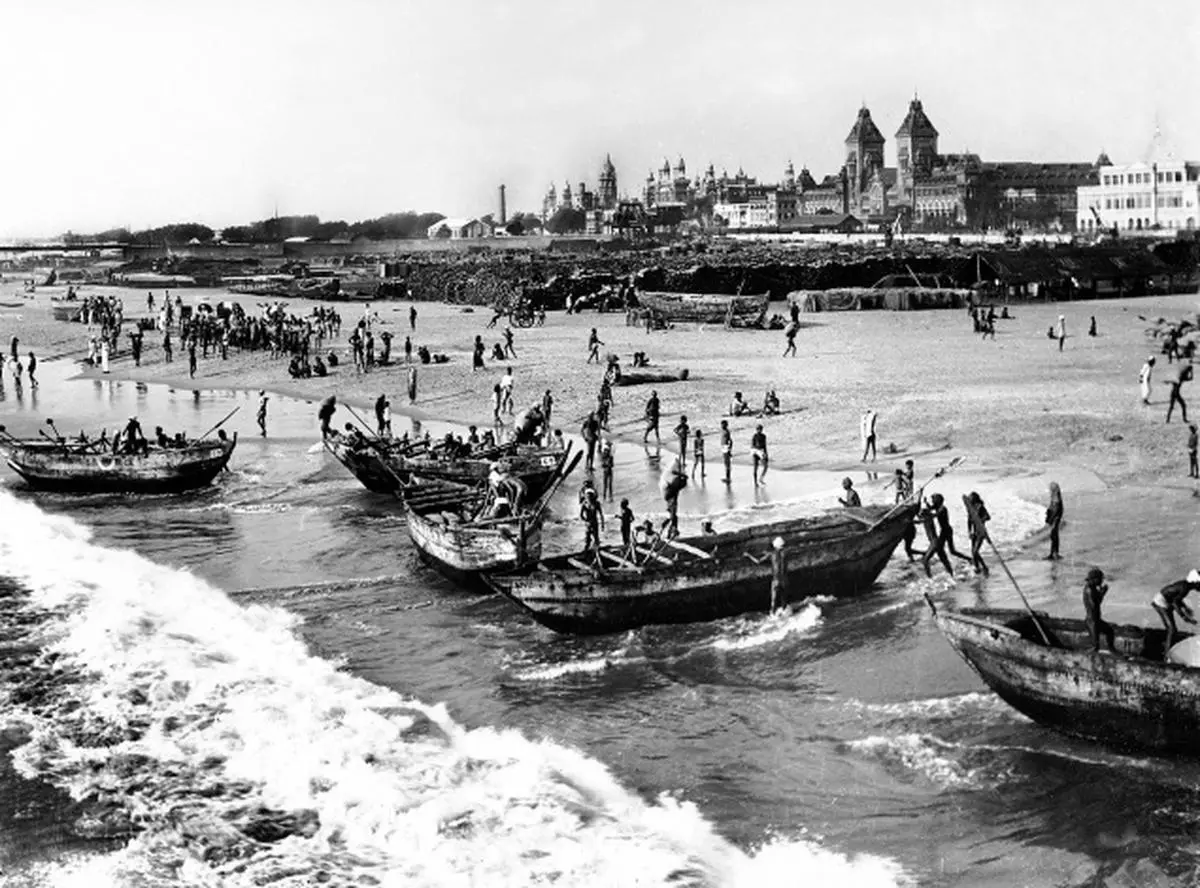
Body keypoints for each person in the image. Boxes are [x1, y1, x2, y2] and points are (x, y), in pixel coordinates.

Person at [1151, 570, 1200, 658]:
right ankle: (1167, 654)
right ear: (1195, 582)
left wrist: (1185, 608)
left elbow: (1177, 599)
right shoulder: (1185, 588)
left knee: (1171, 629)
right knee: (1172, 629)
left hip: (1164, 601)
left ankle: (1167, 647)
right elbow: (1175, 603)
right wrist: (1184, 616)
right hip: (1161, 603)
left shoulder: (1185, 585)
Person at [920, 494, 955, 578]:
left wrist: (925, 512)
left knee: (925, 560)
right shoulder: (931, 512)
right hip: (938, 538)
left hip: (940, 536)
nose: (932, 502)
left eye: (933, 500)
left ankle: (930, 578)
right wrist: (924, 502)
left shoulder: (942, 509)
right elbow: (929, 510)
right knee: (943, 558)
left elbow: (932, 514)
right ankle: (952, 575)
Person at [1083, 567, 1116, 654]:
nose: (1101, 581)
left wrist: (1100, 593)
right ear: (1095, 579)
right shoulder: (1090, 590)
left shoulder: (1092, 588)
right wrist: (1102, 593)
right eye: (1100, 579)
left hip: (1095, 619)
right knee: (1095, 647)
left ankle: (1112, 650)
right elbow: (1094, 605)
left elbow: (1096, 602)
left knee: (1110, 631)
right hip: (1092, 621)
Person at [963, 492, 990, 576]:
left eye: (971, 497)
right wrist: (969, 531)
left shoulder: (980, 507)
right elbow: (969, 520)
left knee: (975, 551)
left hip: (981, 532)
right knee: (973, 552)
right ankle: (977, 567)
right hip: (974, 533)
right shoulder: (971, 508)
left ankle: (984, 567)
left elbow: (988, 517)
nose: (969, 499)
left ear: (974, 498)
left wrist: (981, 520)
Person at [1045, 481, 1064, 560]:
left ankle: (1054, 553)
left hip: (1055, 518)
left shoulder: (1056, 497)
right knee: (1054, 536)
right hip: (1055, 518)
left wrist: (1050, 520)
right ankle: (1053, 553)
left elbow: (1056, 510)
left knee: (1054, 536)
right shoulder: (1055, 496)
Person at [719, 420, 733, 485]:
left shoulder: (727, 432)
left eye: (723, 424)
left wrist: (729, 449)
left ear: (725, 425)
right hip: (723, 447)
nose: (721, 426)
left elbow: (730, 441)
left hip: (726, 447)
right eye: (721, 424)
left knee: (727, 463)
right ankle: (727, 477)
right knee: (725, 463)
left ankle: (728, 478)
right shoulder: (722, 431)